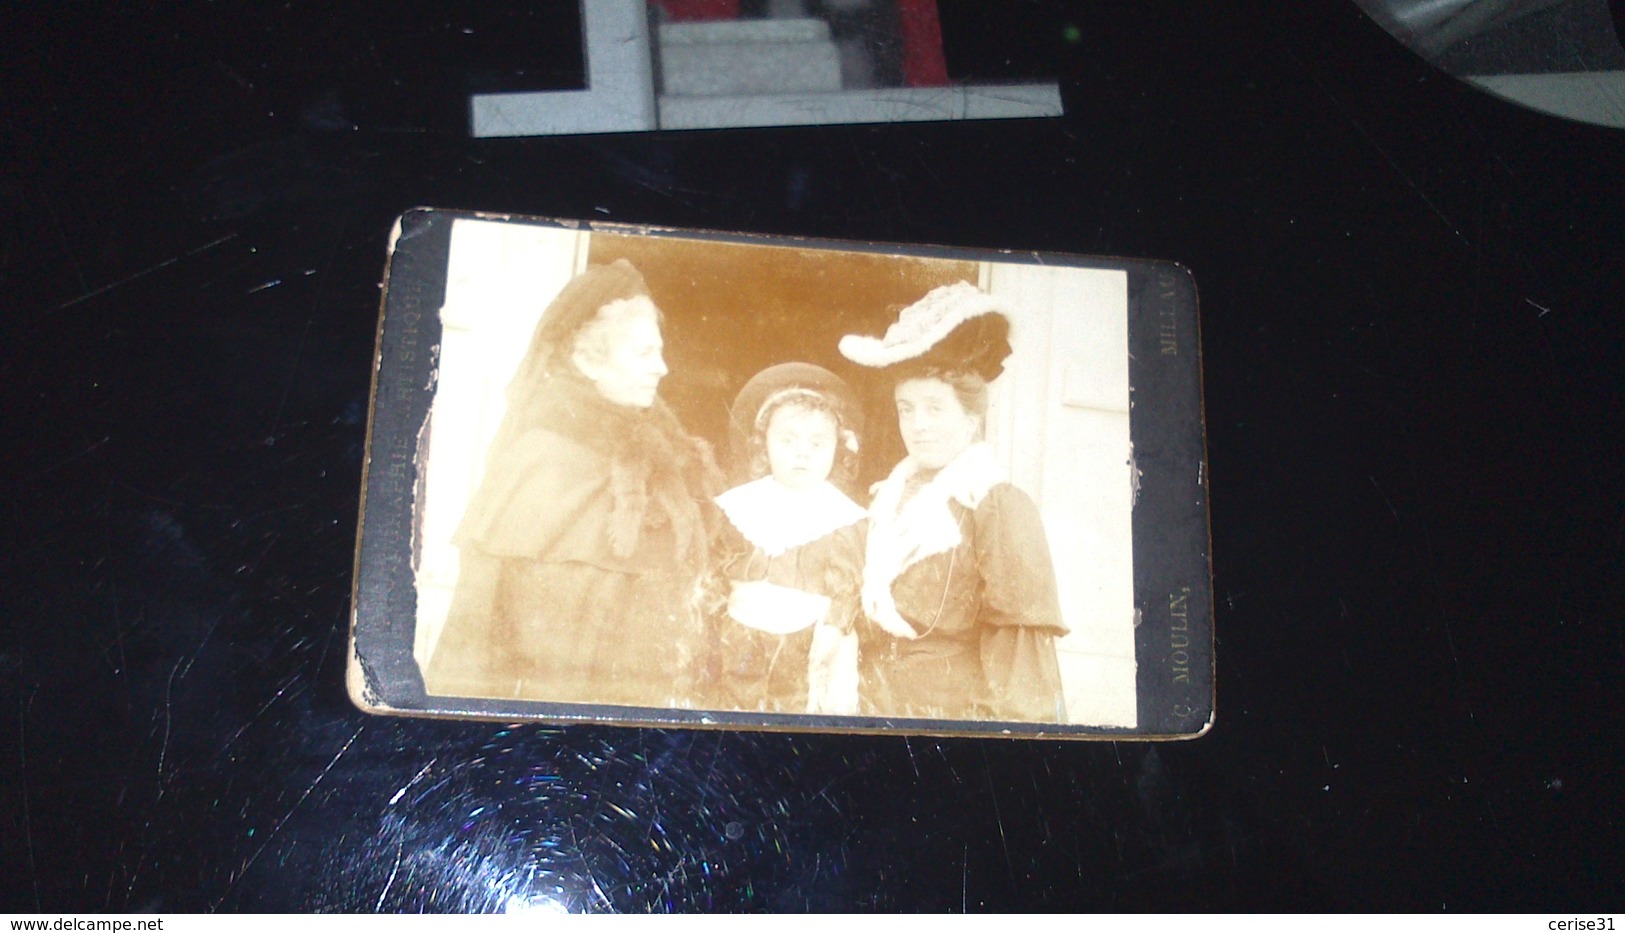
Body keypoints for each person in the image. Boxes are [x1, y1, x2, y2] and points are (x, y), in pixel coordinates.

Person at [424, 259, 724, 707]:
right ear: (586, 360)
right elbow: (477, 644)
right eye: (643, 354)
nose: (662, 368)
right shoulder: (540, 458)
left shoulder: (662, 459)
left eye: (659, 351)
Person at [838, 281, 1069, 722]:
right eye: (906, 409)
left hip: (946, 720)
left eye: (934, 408)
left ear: (971, 416)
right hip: (867, 709)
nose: (917, 425)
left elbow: (1021, 685)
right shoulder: (884, 501)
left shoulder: (997, 506)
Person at [702, 363, 867, 715]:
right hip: (739, 636)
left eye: (817, 443)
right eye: (787, 440)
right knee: (733, 712)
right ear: (764, 444)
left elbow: (847, 587)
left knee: (793, 717)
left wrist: (833, 631)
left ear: (837, 449)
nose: (802, 452)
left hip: (805, 641)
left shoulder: (842, 517)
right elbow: (714, 572)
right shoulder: (738, 506)